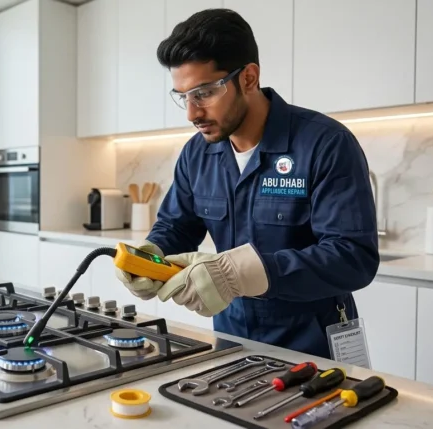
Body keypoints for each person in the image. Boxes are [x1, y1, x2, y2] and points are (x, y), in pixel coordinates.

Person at [114, 8, 379, 359]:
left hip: (311, 344)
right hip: (232, 336)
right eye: (183, 96)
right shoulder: (197, 154)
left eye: (204, 93)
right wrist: (153, 254)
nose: (191, 113)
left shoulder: (324, 143)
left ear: (249, 78)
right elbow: (176, 226)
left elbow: (353, 258)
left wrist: (243, 272)